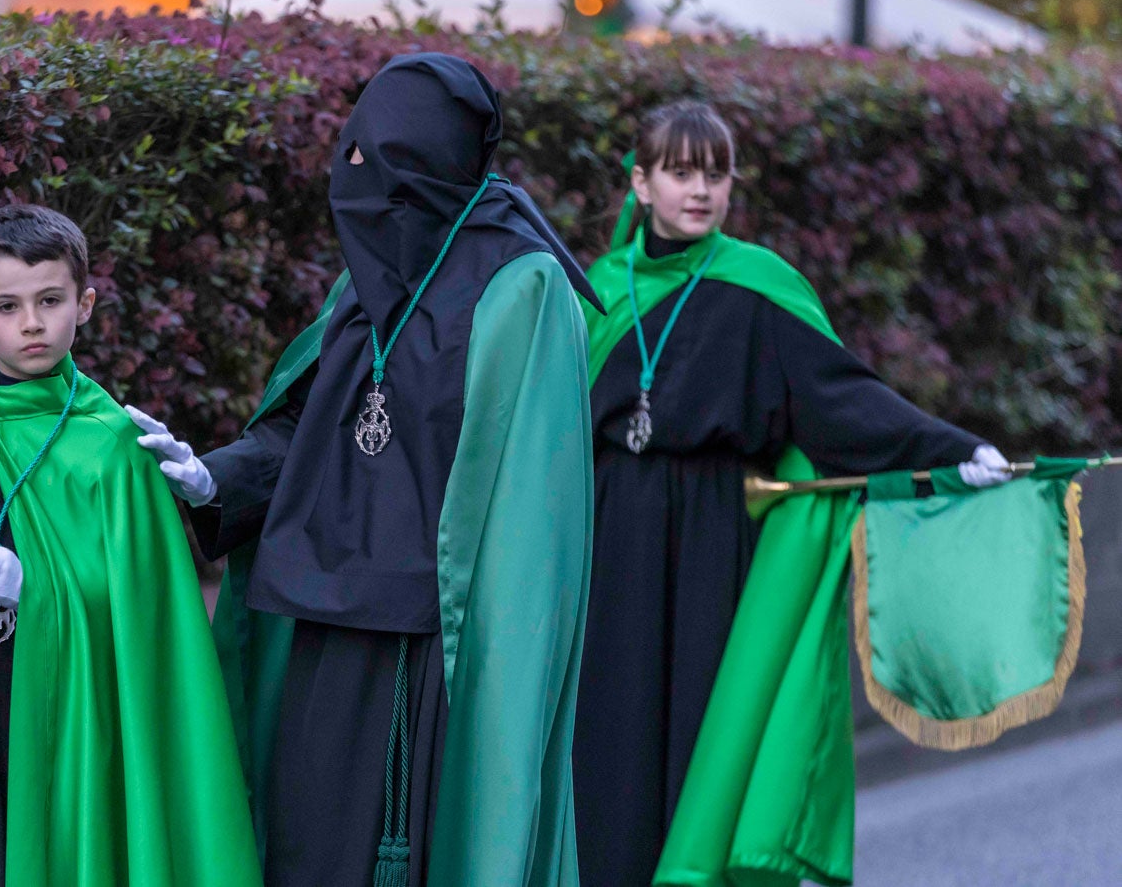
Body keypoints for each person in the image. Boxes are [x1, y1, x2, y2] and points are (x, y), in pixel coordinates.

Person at [128, 53, 600, 886]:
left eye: (376, 160)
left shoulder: (521, 285)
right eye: (350, 155)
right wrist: (211, 480)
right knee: (306, 844)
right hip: (315, 628)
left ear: (430, 166)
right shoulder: (364, 279)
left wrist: (492, 653)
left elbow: (533, 502)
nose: (353, 180)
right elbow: (301, 431)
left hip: (433, 650)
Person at [572, 101, 1010, 887]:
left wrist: (951, 451)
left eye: (715, 174)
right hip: (611, 539)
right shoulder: (595, 292)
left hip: (713, 539)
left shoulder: (758, 288)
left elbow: (844, 402)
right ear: (640, 184)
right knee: (611, 723)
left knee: (704, 721)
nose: (699, 191)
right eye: (678, 173)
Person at [0, 204, 261, 886]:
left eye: (50, 300)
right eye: (6, 306)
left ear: (83, 304)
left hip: (61, 712)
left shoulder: (112, 442)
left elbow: (139, 617)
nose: (31, 323)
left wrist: (32, 588)